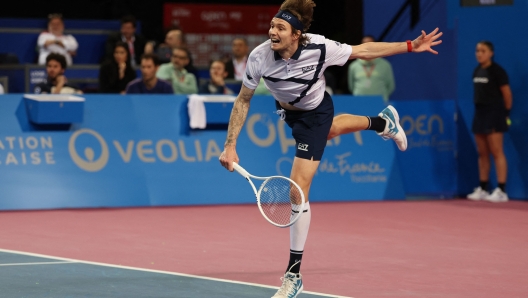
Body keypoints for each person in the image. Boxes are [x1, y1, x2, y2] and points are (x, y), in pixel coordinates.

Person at [217, 1, 442, 297]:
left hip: (316, 110)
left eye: (280, 27)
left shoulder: (320, 47)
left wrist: (411, 45)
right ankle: (382, 122)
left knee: (297, 189)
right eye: (271, 26)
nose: (272, 31)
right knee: (334, 130)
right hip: (290, 114)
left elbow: (363, 51)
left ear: (296, 34)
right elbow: (243, 100)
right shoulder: (259, 57)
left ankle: (293, 274)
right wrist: (230, 145)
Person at [466, 41, 512, 203]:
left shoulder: (497, 72)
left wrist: (506, 114)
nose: (479, 53)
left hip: (495, 114)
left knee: (496, 151)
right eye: (477, 50)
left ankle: (501, 190)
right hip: (480, 114)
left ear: (491, 53)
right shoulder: (477, 70)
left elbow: (507, 95)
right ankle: (483, 188)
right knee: (482, 153)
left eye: (483, 51)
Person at [347, 35, 395, 102]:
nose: (367, 48)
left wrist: (383, 97)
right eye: (364, 45)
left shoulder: (385, 65)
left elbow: (390, 86)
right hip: (359, 103)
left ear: (376, 46)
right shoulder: (353, 66)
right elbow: (351, 87)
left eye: (369, 45)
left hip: (380, 103)